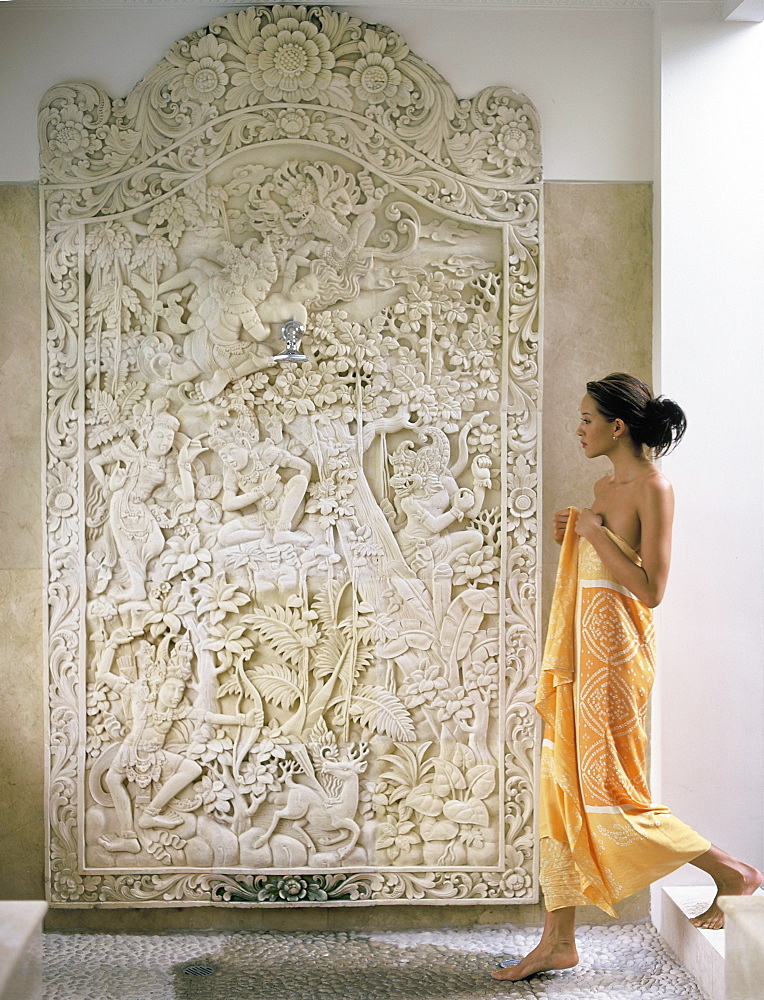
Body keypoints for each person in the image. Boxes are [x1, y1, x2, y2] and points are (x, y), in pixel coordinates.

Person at [493, 373, 762, 982]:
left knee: (612, 792)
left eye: (588, 419)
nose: (579, 428)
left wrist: (592, 533)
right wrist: (578, 539)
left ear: (618, 426)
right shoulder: (601, 485)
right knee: (561, 783)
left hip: (616, 661)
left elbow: (650, 589)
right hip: (580, 654)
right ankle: (557, 939)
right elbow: (601, 571)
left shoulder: (654, 487)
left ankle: (731, 872)